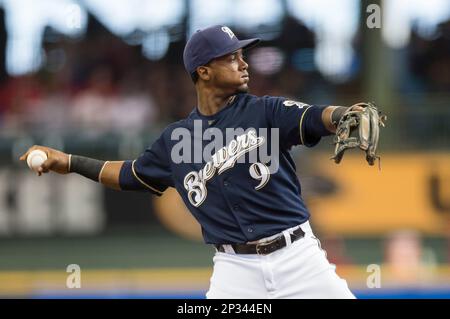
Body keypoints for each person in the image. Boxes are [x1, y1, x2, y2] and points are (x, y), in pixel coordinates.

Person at [20, 25, 357, 299]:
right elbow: (128, 174)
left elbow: (317, 116)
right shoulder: (176, 140)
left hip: (298, 258)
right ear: (204, 71)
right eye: (233, 57)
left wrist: (344, 114)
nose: (244, 64)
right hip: (235, 270)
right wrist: (70, 161)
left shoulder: (265, 110)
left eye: (243, 56)